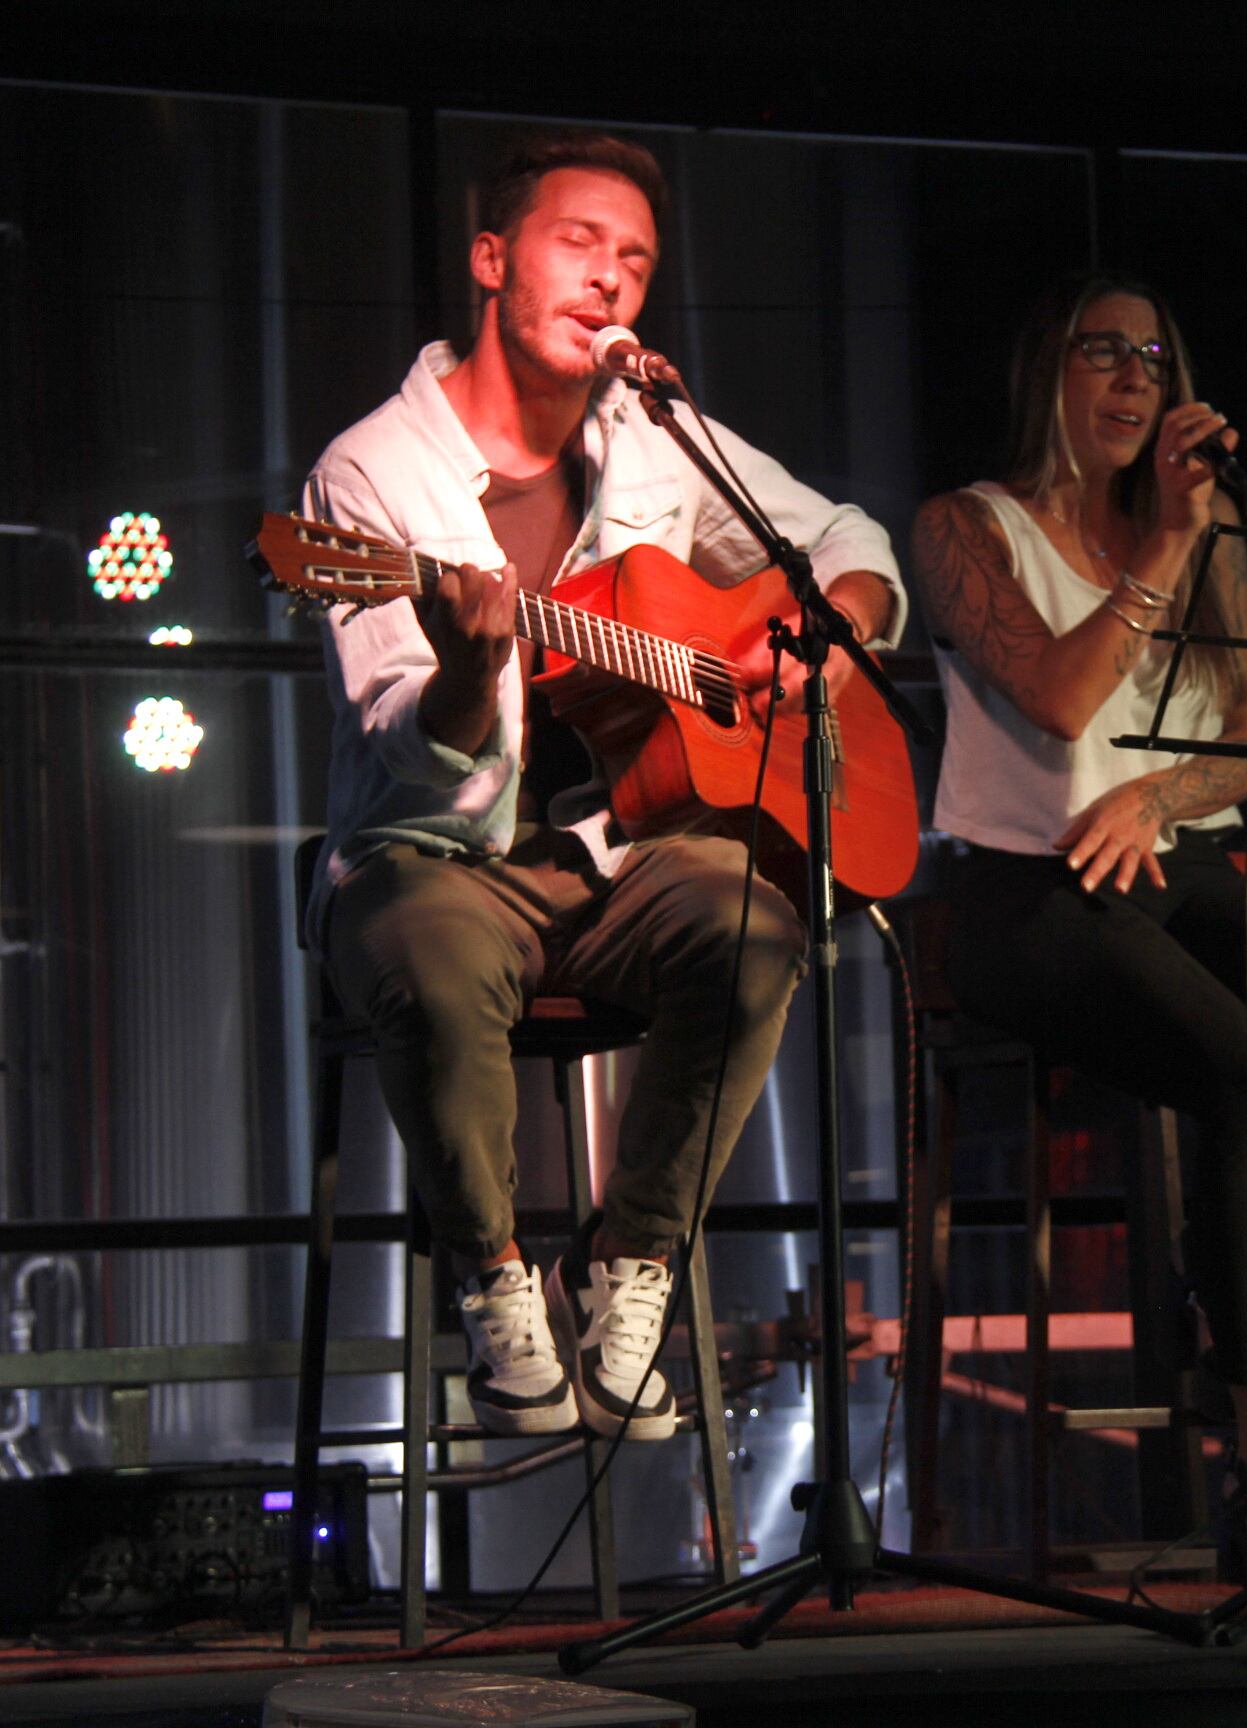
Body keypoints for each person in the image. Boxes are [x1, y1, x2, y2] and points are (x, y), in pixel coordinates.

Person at [303, 132, 904, 1443]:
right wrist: (472, 666)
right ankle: (498, 1284)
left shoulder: (654, 438)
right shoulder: (370, 476)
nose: (611, 280)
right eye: (580, 242)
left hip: (614, 852)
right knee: (434, 946)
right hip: (434, 855)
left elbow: (847, 540)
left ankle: (630, 1266)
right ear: (490, 260)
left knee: (755, 920)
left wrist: (824, 639)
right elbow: (411, 739)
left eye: (634, 258)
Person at [909, 274, 1247, 1587]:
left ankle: (1216, 1291)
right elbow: (1063, 703)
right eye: (1103, 354)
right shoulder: (964, 528)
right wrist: (1165, 550)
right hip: (1023, 891)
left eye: (1153, 357)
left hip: (1159, 857)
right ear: (1045, 375)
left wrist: (1159, 789)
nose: (1133, 379)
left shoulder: (1211, 522)